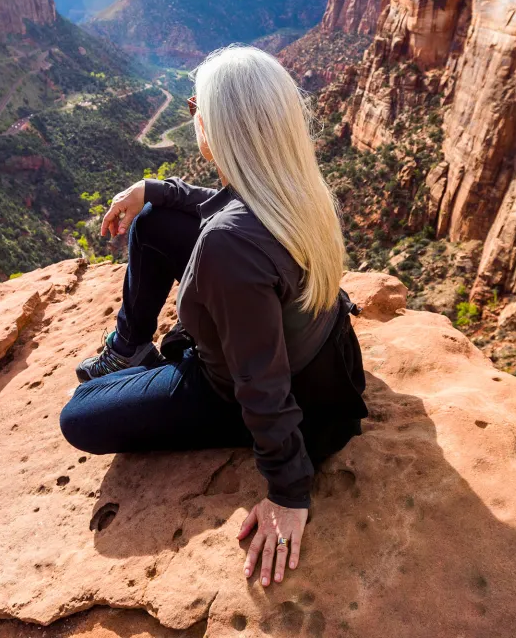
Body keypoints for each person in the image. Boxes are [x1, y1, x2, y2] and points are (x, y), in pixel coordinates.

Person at [58, 45, 368, 588]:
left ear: (220, 124)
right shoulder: (290, 184)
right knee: (154, 221)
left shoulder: (230, 246)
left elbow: (260, 382)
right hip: (322, 353)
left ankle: (144, 368)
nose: (192, 111)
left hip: (254, 388)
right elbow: (223, 206)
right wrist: (151, 190)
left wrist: (288, 491)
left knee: (80, 415)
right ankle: (130, 348)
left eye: (197, 104)